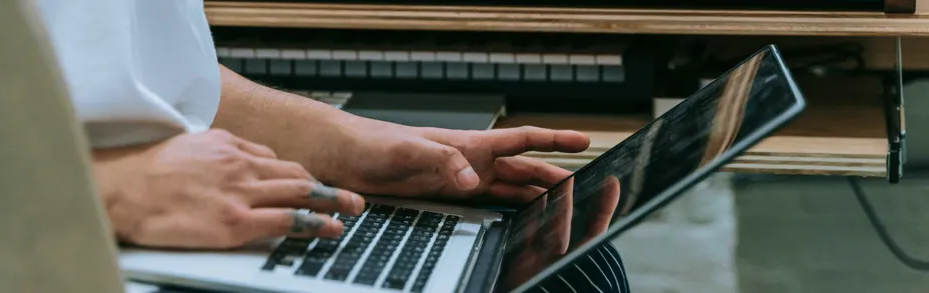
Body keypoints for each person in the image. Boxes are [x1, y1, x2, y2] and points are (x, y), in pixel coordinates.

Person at [34, 1, 629, 292]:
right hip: (39, 235)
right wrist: (104, 191)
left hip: (188, 204)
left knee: (566, 258)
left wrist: (349, 143)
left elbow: (148, 68)